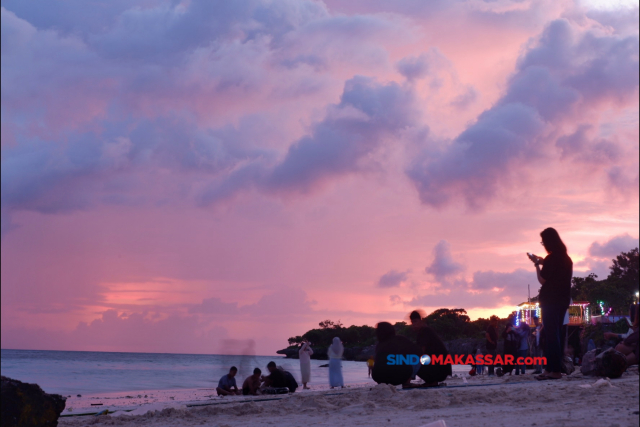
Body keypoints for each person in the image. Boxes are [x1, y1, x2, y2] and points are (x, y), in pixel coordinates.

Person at [528, 227, 573, 381]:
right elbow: (555, 272)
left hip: (550, 300)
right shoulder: (566, 258)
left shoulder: (551, 259)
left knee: (551, 335)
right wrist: (542, 260)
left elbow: (542, 279)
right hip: (562, 300)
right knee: (556, 334)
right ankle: (551, 369)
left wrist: (537, 265)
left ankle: (554, 371)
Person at [409, 310, 452, 386]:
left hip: (440, 369)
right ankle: (431, 381)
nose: (414, 324)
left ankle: (430, 381)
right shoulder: (424, 331)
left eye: (415, 321)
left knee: (411, 359)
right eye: (412, 322)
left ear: (421, 321)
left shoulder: (425, 332)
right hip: (440, 368)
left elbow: (420, 352)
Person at [371, 322, 415, 386]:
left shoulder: (379, 345)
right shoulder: (401, 339)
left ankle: (383, 384)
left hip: (379, 378)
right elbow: (415, 351)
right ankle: (407, 382)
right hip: (400, 377)